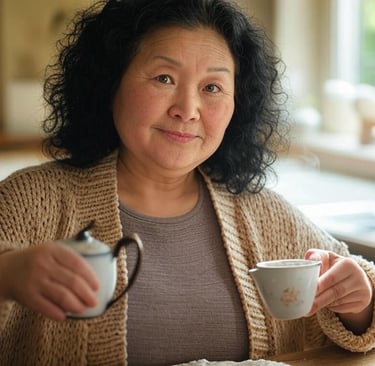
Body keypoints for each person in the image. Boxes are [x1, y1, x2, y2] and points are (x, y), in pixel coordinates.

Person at [0, 0, 374, 365]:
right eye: (164, 78)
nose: (188, 109)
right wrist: (7, 275)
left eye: (212, 87)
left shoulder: (265, 214)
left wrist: (361, 303)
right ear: (109, 83)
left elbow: (360, 284)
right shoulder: (29, 201)